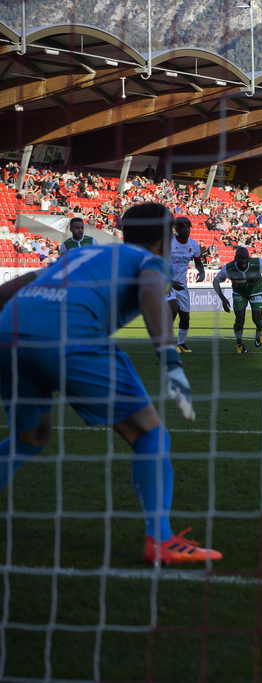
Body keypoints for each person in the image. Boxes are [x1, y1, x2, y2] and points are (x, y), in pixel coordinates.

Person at [0, 202, 219, 565]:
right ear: (166, 240)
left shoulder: (85, 255)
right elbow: (152, 293)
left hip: (9, 331)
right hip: (67, 333)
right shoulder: (152, 262)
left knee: (30, 438)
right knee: (150, 435)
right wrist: (171, 361)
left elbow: (14, 288)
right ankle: (161, 540)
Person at [213, 246, 262, 354]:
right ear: (236, 258)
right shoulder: (228, 269)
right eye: (241, 258)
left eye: (246, 258)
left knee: (257, 319)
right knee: (239, 319)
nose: (244, 261)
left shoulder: (258, 263)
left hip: (256, 290)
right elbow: (215, 281)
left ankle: (260, 329)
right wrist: (223, 299)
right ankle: (239, 342)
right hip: (239, 293)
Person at [166, 217, 205, 353]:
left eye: (188, 227)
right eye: (183, 227)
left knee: (185, 317)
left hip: (182, 286)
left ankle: (181, 343)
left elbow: (198, 261)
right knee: (172, 308)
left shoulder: (193, 245)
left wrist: (202, 271)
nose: (187, 229)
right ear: (176, 229)